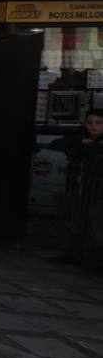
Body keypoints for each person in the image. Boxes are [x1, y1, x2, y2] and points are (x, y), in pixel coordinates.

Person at [50, 108, 103, 268]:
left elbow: (94, 151)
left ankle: (97, 260)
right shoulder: (81, 138)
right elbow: (57, 144)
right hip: (81, 188)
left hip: (98, 191)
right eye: (90, 122)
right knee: (77, 223)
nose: (93, 126)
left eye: (98, 123)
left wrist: (85, 145)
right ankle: (74, 254)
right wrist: (79, 142)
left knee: (97, 227)